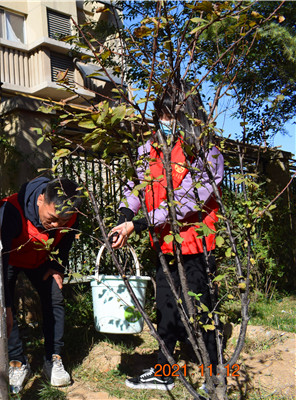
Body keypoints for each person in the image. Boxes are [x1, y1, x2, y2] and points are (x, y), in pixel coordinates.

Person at [109, 88, 224, 391]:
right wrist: (124, 215)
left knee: (201, 310)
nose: (163, 121)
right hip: (165, 244)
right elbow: (136, 185)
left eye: (170, 115)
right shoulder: (150, 149)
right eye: (161, 114)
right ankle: (164, 371)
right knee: (166, 309)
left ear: (188, 116)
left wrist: (140, 222)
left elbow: (188, 201)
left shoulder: (205, 151)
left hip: (196, 243)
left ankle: (216, 374)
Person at [0, 176, 83, 393]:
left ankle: (53, 359)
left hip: (41, 260)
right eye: (53, 218)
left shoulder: (69, 216)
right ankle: (17, 361)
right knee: (4, 308)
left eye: (63, 221)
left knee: (55, 297)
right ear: (40, 200)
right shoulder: (10, 211)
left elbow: (66, 238)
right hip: (9, 260)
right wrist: (6, 306)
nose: (57, 226)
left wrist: (57, 267)